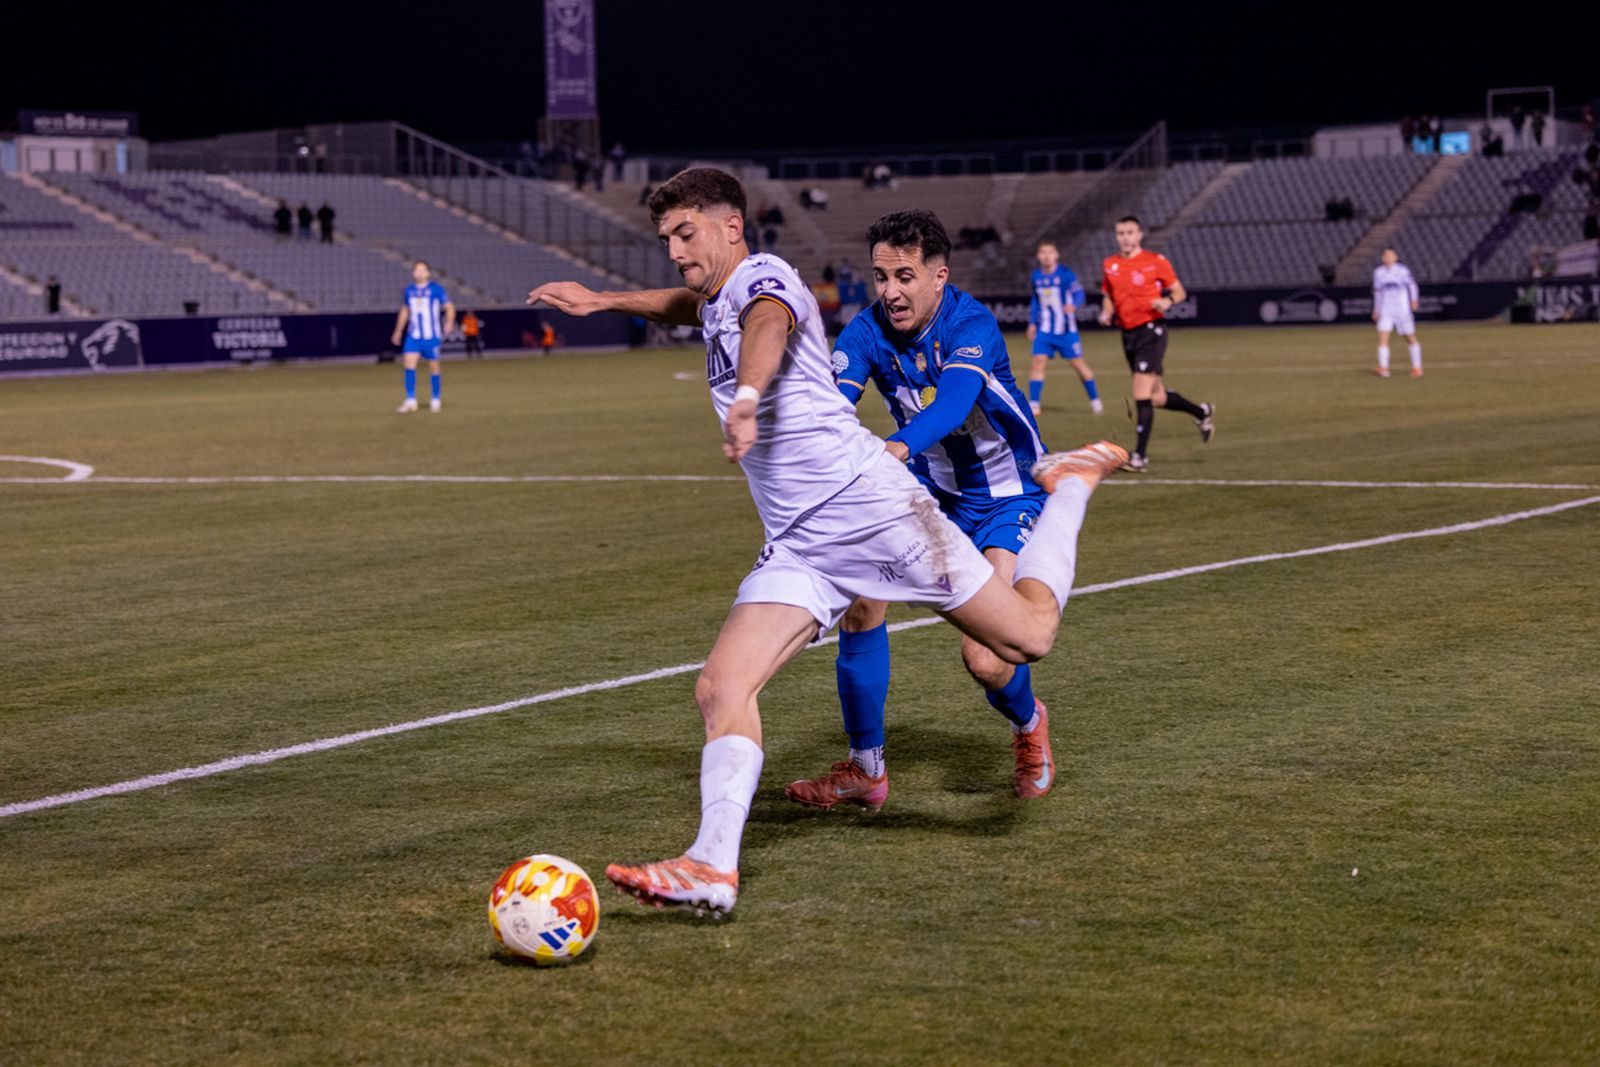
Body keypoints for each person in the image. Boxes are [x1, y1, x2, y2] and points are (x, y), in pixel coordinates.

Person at [527, 167, 1127, 917]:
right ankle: (714, 864)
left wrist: (747, 398)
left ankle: (1069, 486)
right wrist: (604, 299)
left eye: (687, 233)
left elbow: (767, 323)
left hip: (870, 508)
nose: (675, 248)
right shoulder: (720, 295)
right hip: (802, 537)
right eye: (666, 238)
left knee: (1024, 638)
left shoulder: (767, 277)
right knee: (721, 686)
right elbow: (693, 307)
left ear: (731, 227)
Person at [784, 210, 1060, 812]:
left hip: (1008, 496)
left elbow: (956, 402)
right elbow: (835, 406)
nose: (891, 291)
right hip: (927, 490)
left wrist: (894, 447)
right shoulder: (864, 331)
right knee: (860, 602)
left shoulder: (972, 323)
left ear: (939, 276)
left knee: (986, 657)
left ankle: (1028, 724)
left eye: (905, 276)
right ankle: (866, 769)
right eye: (881, 276)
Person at [1098, 216, 1214, 473]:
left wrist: (1167, 302)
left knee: (1140, 391)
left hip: (1152, 330)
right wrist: (1106, 312)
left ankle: (1139, 457)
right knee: (1157, 397)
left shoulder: (1155, 261)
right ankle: (1201, 412)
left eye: (1130, 232)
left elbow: (1179, 292)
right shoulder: (1110, 265)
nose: (1125, 237)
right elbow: (1108, 296)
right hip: (1128, 334)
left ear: (1139, 234)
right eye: (1121, 233)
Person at [1027, 241, 1100, 415]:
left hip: (1066, 331)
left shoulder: (1066, 275)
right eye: (1043, 253)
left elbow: (1079, 293)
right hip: (1045, 330)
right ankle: (1034, 403)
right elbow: (1035, 301)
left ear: (1056, 255)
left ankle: (1095, 400)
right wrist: (1032, 323)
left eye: (1050, 252)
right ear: (1038, 256)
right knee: (1038, 363)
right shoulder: (1036, 276)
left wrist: (1074, 305)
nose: (1046, 256)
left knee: (1078, 365)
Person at [390, 260, 454, 413]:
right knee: (409, 365)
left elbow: (449, 306)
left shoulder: (436, 289)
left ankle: (435, 398)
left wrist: (450, 322)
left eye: (422, 270)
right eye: (416, 270)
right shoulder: (409, 290)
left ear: (428, 273)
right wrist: (398, 330)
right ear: (413, 273)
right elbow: (405, 310)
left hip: (431, 336)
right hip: (413, 336)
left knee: (434, 367)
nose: (419, 272)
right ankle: (411, 399)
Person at [1371, 247, 1422, 378]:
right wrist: (1376, 309)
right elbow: (1378, 292)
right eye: (1385, 256)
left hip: (1402, 309)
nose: (1388, 258)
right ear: (1382, 258)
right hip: (1386, 309)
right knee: (1383, 338)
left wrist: (1414, 300)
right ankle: (1384, 368)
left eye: (1390, 256)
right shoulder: (1379, 272)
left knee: (1410, 337)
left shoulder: (1402, 271)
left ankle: (1417, 367)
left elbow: (1412, 285)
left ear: (1395, 257)